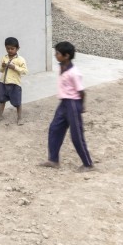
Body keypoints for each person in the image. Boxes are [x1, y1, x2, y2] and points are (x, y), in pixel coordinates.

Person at [42, 41, 93, 171]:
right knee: (54, 129)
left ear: (66, 56)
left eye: (58, 53)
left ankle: (88, 164)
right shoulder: (62, 66)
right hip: (63, 103)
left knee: (76, 135)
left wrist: (81, 106)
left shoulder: (74, 73)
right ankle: (53, 160)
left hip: (73, 104)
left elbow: (81, 92)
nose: (55, 55)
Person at [0, 36, 28, 124]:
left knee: (17, 102)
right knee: (2, 100)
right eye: (7, 48)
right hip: (3, 83)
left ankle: (19, 118)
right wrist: (2, 66)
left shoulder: (20, 59)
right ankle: (0, 115)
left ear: (17, 48)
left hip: (14, 84)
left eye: (12, 49)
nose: (10, 50)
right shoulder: (4, 58)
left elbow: (25, 71)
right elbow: (0, 70)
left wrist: (15, 67)